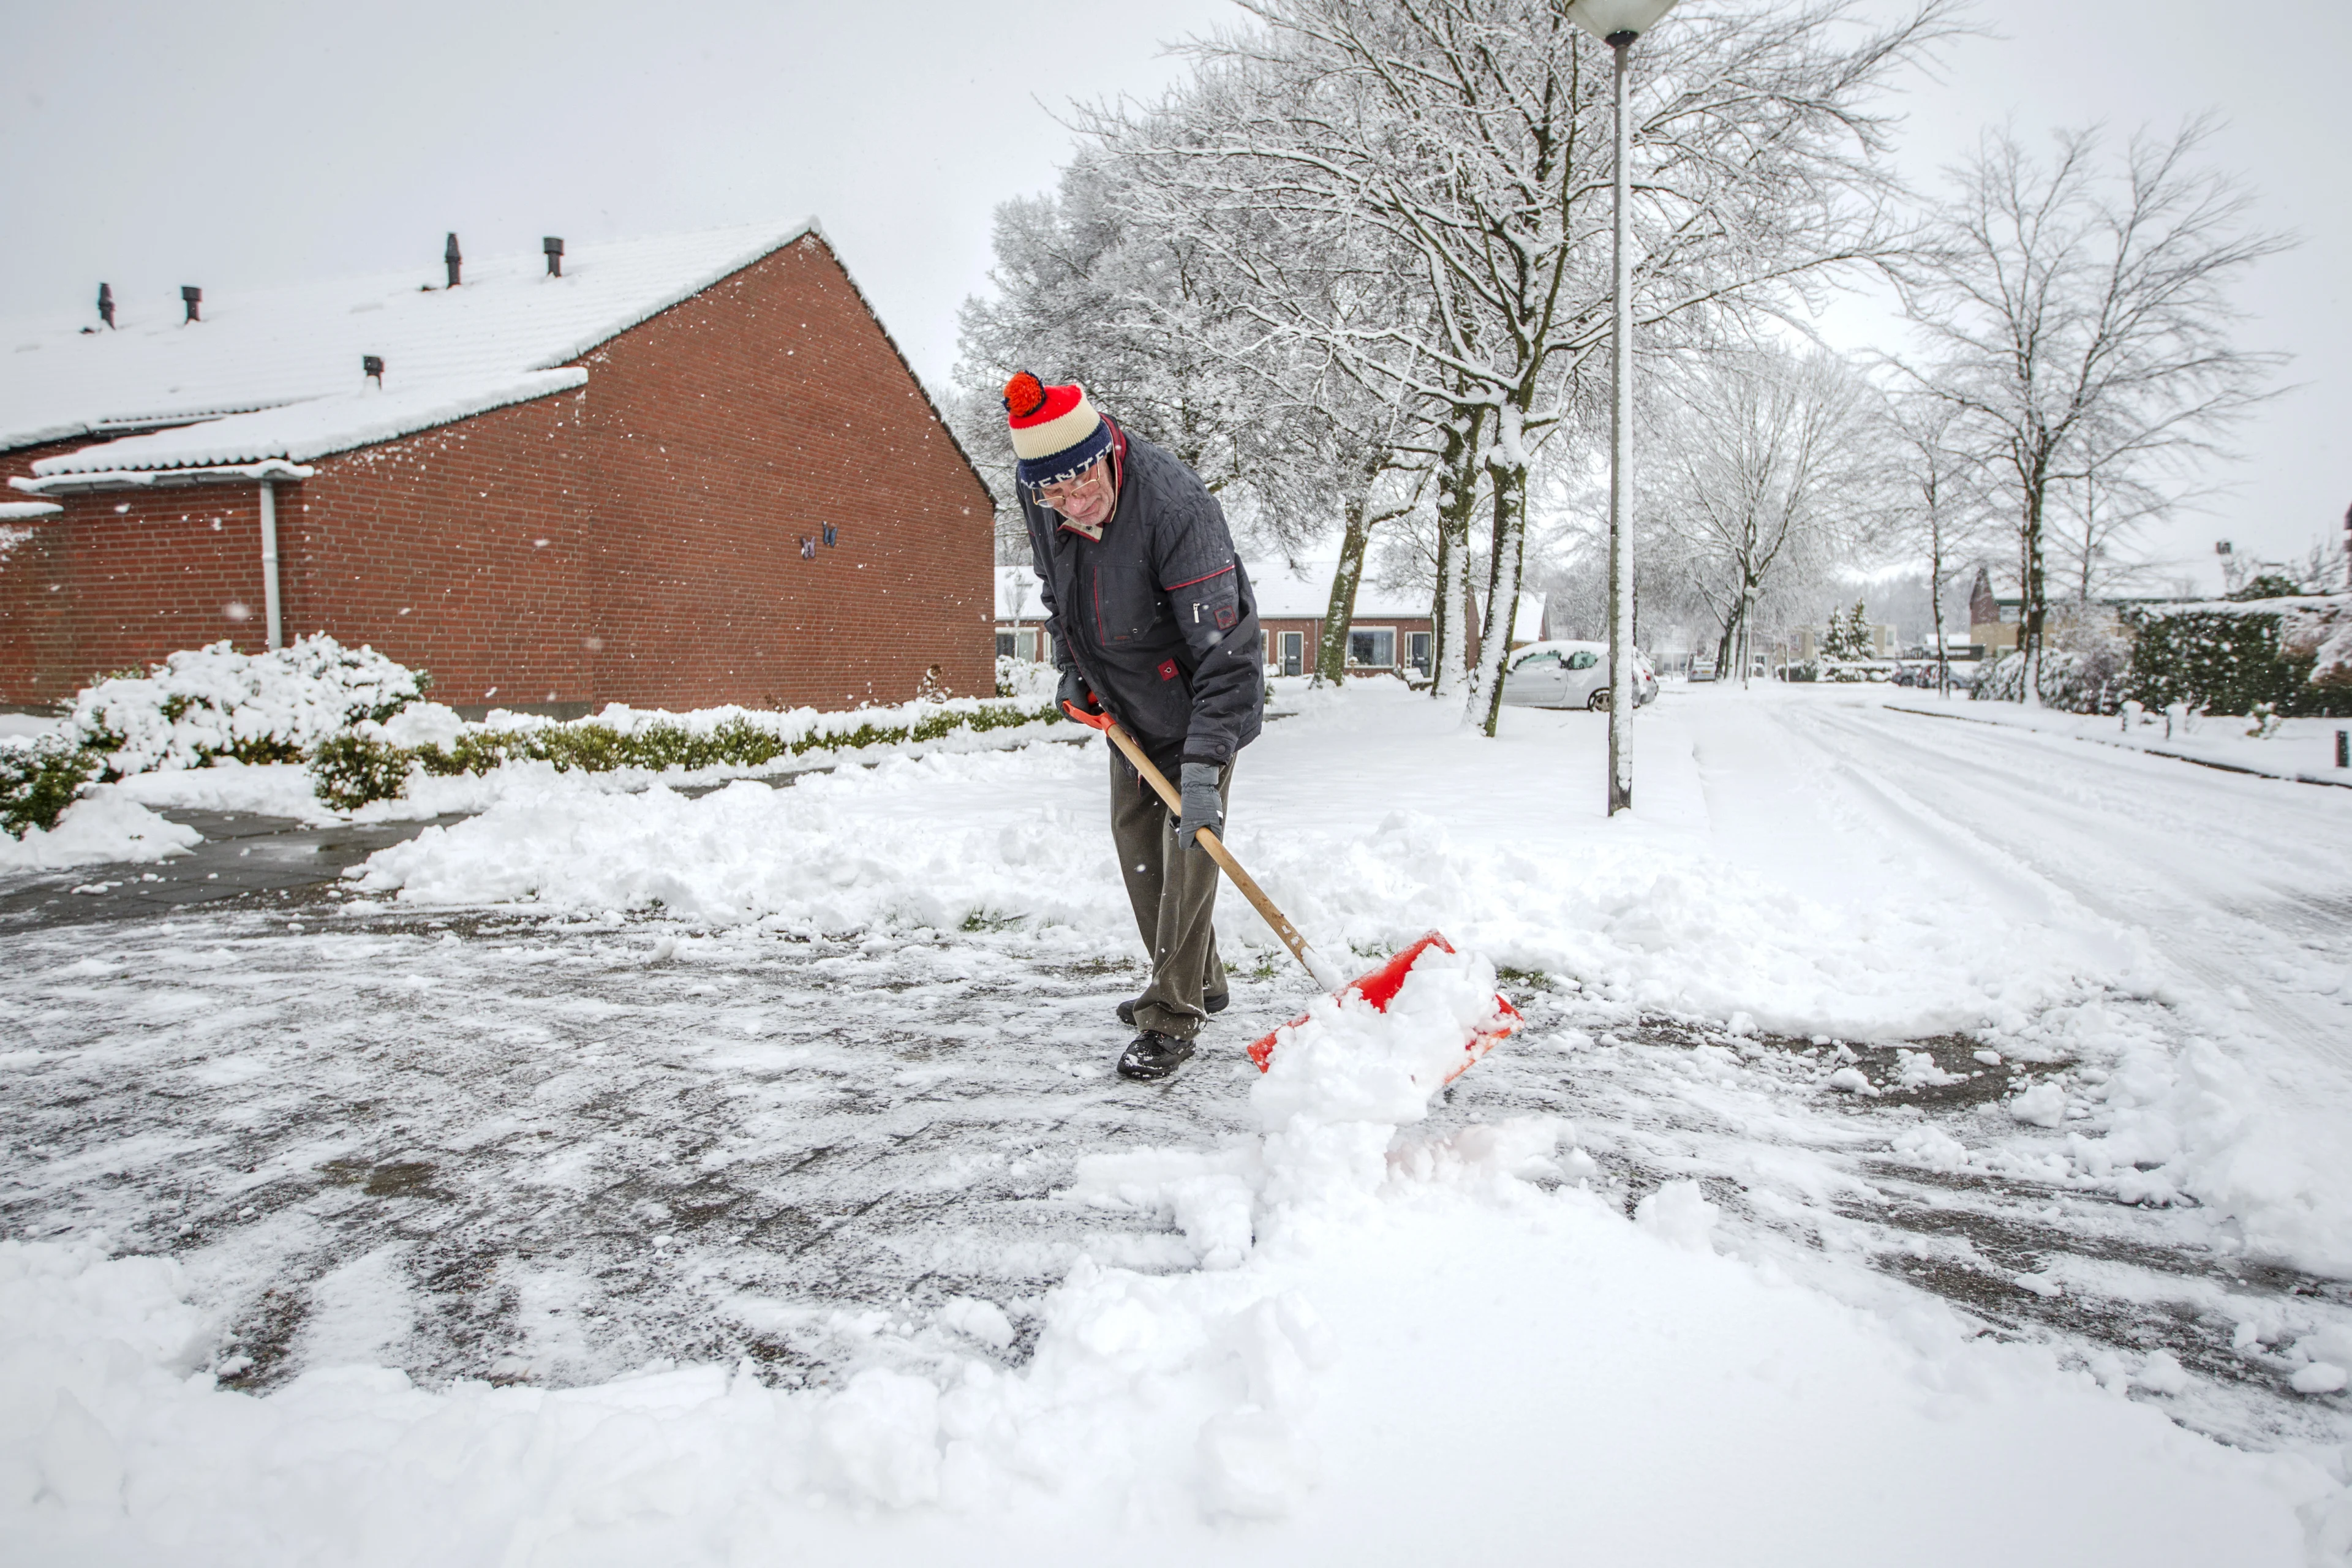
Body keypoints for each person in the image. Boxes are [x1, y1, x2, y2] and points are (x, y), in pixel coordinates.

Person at [1003, 371, 1263, 1082]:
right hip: (1125, 701)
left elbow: (1228, 652)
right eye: (1053, 493)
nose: (1073, 503)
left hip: (1201, 699)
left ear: (1105, 451)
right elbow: (1060, 593)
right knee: (1137, 840)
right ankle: (1200, 980)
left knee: (1191, 849)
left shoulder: (1177, 509)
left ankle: (1173, 1015)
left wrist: (1206, 766)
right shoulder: (1045, 494)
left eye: (1081, 484)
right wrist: (1075, 670)